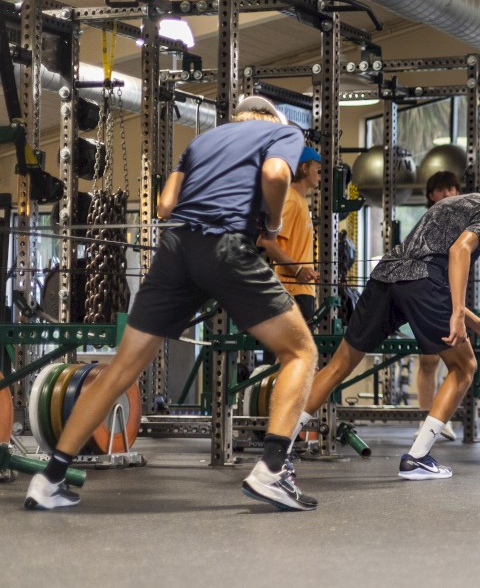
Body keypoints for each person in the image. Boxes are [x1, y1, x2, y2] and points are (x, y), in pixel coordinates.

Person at [25, 96, 320, 512]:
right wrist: (270, 223)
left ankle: (49, 478)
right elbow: (274, 174)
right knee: (301, 351)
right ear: (271, 117)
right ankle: (272, 469)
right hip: (226, 244)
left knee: (118, 372)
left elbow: (165, 206)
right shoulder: (284, 132)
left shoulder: (202, 142)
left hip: (176, 248)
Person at [295, 152, 480, 480]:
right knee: (465, 368)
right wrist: (460, 317)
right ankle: (417, 458)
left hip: (386, 276)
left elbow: (424, 261)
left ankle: (278, 446)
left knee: (337, 365)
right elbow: (456, 253)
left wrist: (475, 321)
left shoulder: (448, 204)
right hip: (421, 280)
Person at [414, 171, 462, 441]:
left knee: (455, 361)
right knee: (428, 360)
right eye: (441, 190)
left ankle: (441, 419)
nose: (446, 195)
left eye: (451, 189)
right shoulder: (425, 222)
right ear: (431, 196)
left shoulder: (466, 224)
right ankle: (425, 419)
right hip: (425, 293)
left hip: (451, 296)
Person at [258, 145, 321, 327]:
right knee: (294, 354)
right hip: (292, 291)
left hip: (301, 291)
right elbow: (267, 241)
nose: (320, 173)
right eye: (317, 167)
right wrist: (298, 271)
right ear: (304, 168)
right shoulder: (291, 200)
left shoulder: (300, 201)